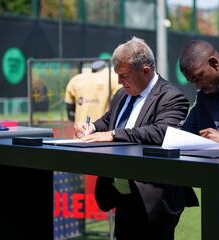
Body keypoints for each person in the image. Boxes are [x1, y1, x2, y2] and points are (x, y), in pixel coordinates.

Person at [74, 37, 198, 240]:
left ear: (146, 70)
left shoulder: (172, 97)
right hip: (121, 193)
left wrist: (113, 135)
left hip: (154, 199)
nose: (120, 82)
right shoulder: (122, 95)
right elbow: (107, 122)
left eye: (124, 76)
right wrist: (90, 128)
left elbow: (161, 132)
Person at [65, 60, 121, 124]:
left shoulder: (76, 79)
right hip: (103, 130)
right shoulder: (114, 78)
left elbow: (70, 112)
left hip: (80, 130)